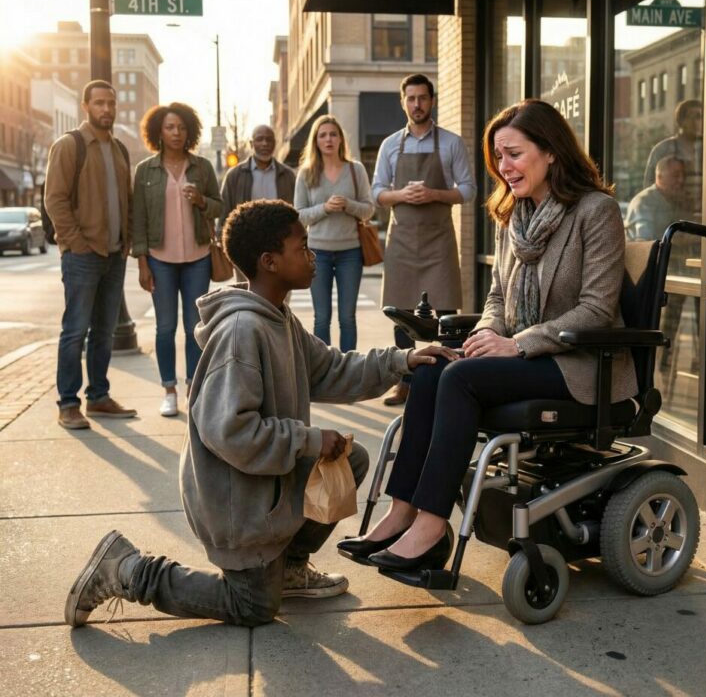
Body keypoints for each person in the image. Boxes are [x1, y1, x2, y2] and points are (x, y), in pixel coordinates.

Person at [64, 199, 454, 628]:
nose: (313, 256)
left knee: (349, 458)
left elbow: (331, 369)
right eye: (302, 247)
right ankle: (127, 569)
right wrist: (308, 440)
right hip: (235, 504)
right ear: (270, 262)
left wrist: (402, 361)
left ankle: (286, 568)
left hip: (260, 484)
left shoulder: (278, 317)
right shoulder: (241, 331)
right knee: (251, 606)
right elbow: (230, 430)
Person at [339, 99, 638, 571]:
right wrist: (484, 337)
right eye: (499, 157)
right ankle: (403, 510)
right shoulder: (514, 216)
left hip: (580, 364)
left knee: (461, 380)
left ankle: (433, 523)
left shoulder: (595, 212)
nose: (505, 167)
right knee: (436, 365)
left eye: (514, 154)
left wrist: (517, 344)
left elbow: (597, 310)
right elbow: (498, 298)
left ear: (552, 152)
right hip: (524, 357)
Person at [372, 73, 476, 405]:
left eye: (423, 98)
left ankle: (449, 379)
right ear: (403, 102)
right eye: (411, 99)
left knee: (446, 313)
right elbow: (376, 193)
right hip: (401, 239)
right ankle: (404, 382)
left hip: (438, 239)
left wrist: (434, 193)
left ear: (432, 101)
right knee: (400, 311)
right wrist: (401, 194)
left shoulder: (451, 142)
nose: (417, 105)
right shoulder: (390, 145)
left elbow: (469, 190)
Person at [44, 79, 137, 430]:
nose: (107, 109)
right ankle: (68, 403)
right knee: (75, 331)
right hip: (83, 255)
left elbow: (126, 201)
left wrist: (126, 241)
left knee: (103, 331)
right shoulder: (70, 146)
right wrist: (76, 242)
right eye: (99, 103)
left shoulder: (119, 150)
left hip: (114, 256)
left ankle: (98, 397)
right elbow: (55, 199)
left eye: (110, 103)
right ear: (86, 106)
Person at [132, 102, 223, 417]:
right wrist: (142, 262)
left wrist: (201, 201)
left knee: (195, 327)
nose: (176, 133)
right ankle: (168, 389)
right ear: (159, 131)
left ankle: (193, 391)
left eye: (182, 127)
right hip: (160, 259)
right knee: (165, 327)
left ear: (190, 132)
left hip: (197, 256)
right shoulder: (145, 170)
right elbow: (138, 220)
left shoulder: (201, 167)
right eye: (170, 127)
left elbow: (219, 206)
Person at [294, 114, 375, 352]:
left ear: (340, 139)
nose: (328, 139)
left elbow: (369, 209)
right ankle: (324, 371)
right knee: (321, 318)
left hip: (350, 253)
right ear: (316, 141)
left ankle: (348, 371)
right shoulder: (306, 173)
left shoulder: (355, 170)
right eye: (323, 135)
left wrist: (348, 205)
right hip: (317, 253)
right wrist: (325, 208)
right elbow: (298, 215)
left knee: (347, 318)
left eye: (333, 134)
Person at [625, 156, 688, 368]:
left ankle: (673, 358)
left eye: (682, 175)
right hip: (646, 277)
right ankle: (661, 359)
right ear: (659, 177)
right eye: (675, 175)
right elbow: (649, 242)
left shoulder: (676, 199)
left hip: (676, 270)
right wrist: (684, 241)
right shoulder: (646, 202)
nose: (681, 180)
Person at [220, 124, 295, 274]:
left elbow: (297, 211)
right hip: (246, 245)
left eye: (269, 139)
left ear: (275, 143)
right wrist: (225, 243)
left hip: (280, 245)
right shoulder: (235, 175)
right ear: (251, 143)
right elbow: (224, 212)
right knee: (248, 294)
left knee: (280, 293)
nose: (265, 143)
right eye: (259, 139)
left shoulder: (288, 175)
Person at [643, 99, 703, 220]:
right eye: (695, 116)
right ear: (681, 121)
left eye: (701, 116)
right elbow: (649, 186)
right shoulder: (663, 149)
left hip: (703, 218)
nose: (700, 121)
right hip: (670, 219)